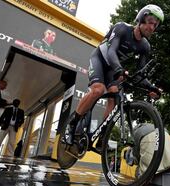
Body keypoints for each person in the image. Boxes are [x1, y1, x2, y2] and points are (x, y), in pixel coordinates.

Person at [65, 4, 164, 150]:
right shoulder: (122, 28)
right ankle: (72, 124)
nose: (152, 27)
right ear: (141, 19)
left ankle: (103, 136)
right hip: (100, 59)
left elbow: (140, 75)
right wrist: (119, 69)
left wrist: (152, 87)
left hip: (113, 68)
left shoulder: (145, 46)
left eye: (155, 25)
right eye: (150, 22)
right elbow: (111, 52)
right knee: (98, 90)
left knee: (114, 94)